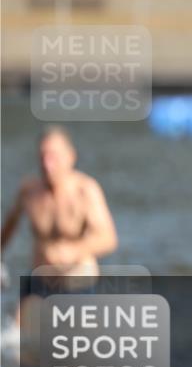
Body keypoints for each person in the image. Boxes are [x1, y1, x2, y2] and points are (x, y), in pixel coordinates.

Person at [1, 127, 118, 322]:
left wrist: (73, 250)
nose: (47, 164)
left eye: (53, 157)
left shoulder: (85, 190)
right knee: (13, 339)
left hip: (78, 284)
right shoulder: (29, 191)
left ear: (70, 157)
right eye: (43, 157)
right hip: (39, 281)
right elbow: (8, 228)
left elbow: (109, 238)